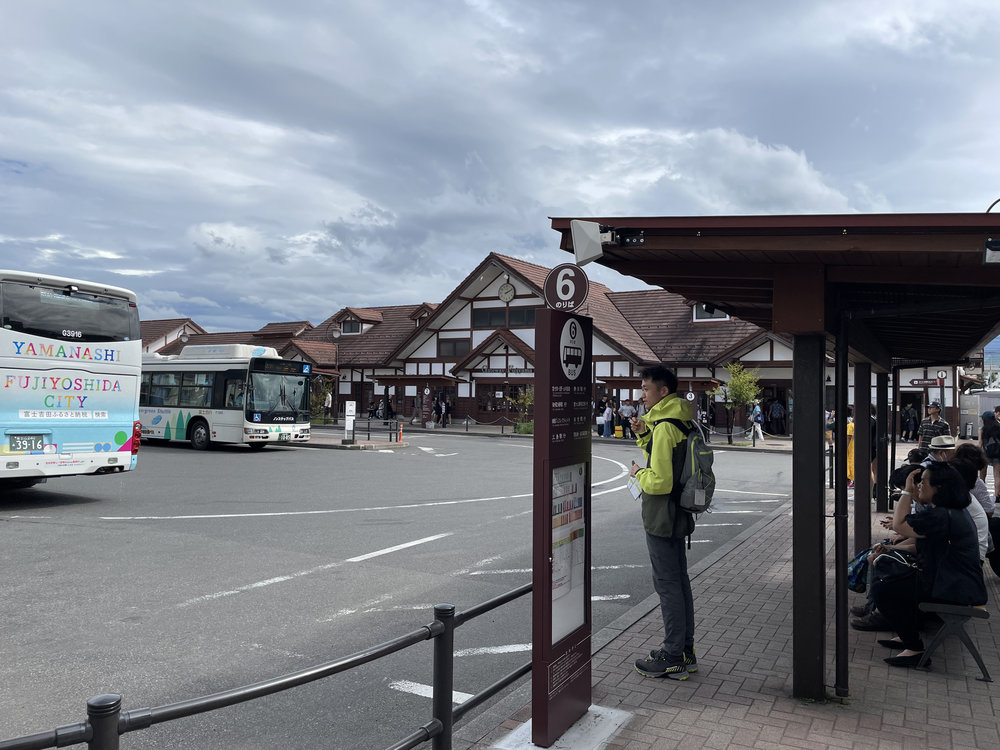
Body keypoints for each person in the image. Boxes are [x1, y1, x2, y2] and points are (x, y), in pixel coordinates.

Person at [870, 462, 987, 667]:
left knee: (885, 588)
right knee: (895, 580)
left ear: (939, 487)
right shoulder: (948, 511)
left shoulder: (942, 514)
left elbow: (899, 525)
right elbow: (919, 546)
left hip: (956, 589)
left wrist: (906, 491)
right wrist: (890, 548)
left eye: (923, 482)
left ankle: (914, 648)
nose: (918, 486)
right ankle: (907, 636)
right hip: (956, 582)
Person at [629, 365, 696, 681]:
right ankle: (684, 651)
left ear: (663, 391)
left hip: (662, 515)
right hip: (678, 512)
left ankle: (672, 656)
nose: (641, 394)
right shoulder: (678, 420)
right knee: (679, 583)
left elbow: (660, 481)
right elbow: (665, 458)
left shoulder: (666, 426)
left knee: (668, 586)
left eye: (646, 388)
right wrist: (644, 433)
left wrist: (638, 473)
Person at [978, 411, 1000, 496]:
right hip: (998, 454)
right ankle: (997, 495)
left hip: (985, 454)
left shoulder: (982, 430)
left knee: (982, 476)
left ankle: (982, 494)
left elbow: (980, 443)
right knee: (997, 476)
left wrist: (977, 454)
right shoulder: (999, 427)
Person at [846, 406, 856, 488]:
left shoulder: (850, 425)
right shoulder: (856, 425)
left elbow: (848, 437)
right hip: (854, 446)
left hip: (850, 447)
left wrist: (845, 447)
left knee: (850, 464)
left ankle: (852, 480)